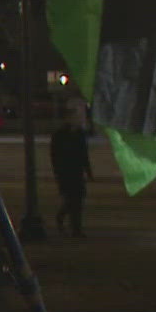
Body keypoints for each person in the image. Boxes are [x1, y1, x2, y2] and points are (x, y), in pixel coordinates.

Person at [49, 102, 93, 238]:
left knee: (78, 200)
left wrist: (88, 171)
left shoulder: (80, 134)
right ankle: (69, 223)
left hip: (77, 172)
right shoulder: (60, 135)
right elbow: (55, 155)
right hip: (65, 172)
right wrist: (57, 171)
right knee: (71, 200)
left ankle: (76, 228)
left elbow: (84, 154)